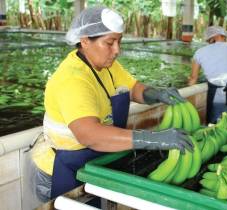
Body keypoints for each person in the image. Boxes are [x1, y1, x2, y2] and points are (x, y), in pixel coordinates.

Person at [30, 6, 193, 202]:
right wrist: (153, 139)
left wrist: (155, 94)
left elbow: (132, 88)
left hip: (91, 162)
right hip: (61, 168)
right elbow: (90, 135)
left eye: (119, 41)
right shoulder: (73, 79)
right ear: (84, 41)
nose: (117, 50)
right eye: (110, 42)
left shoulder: (106, 65)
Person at [188, 26, 227, 123]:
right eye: (223, 37)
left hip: (216, 93)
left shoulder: (199, 53)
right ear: (217, 36)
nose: (225, 39)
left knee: (216, 125)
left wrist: (188, 90)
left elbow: (193, 78)